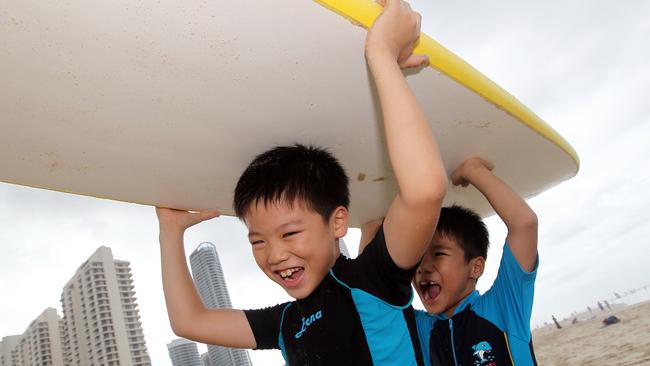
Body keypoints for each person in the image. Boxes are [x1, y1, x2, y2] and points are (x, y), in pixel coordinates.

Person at [155, 0, 448, 364]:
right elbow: (190, 322)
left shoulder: (370, 280)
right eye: (258, 241)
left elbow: (424, 191)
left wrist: (382, 55)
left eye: (289, 233)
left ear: (338, 222)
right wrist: (170, 232)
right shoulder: (285, 323)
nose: (274, 255)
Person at [361, 157, 539, 365]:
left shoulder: (503, 307)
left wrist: (473, 171)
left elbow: (524, 224)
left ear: (476, 267)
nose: (423, 267)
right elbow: (372, 296)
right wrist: (372, 226)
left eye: (439, 254)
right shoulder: (421, 329)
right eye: (418, 258)